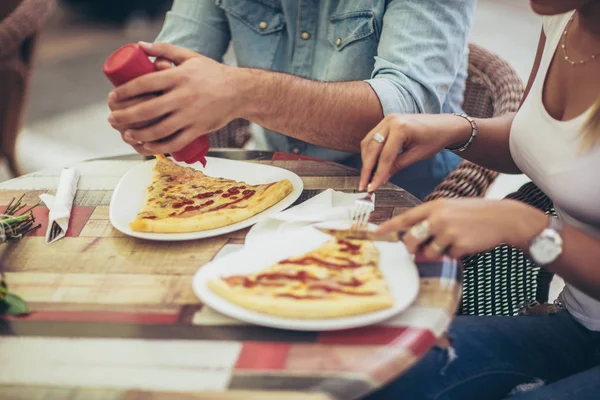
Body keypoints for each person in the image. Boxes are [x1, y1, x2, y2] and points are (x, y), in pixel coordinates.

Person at [360, 0, 600, 398]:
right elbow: (548, 147)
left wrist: (522, 225)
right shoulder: (563, 17)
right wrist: (454, 130)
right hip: (579, 324)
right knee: (373, 369)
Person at [106, 0, 476, 200]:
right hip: (269, 178)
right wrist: (155, 106)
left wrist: (241, 91)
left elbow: (405, 115)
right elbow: (176, 57)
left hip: (397, 192)